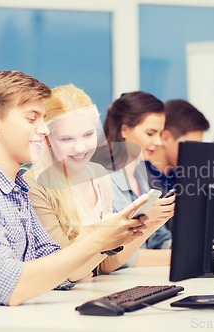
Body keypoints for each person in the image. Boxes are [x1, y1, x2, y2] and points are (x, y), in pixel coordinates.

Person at [0, 71, 149, 332]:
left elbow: (63, 275)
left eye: (44, 120)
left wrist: (111, 237)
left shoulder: (15, 189)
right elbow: (8, 287)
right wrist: (97, 240)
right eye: (32, 119)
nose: (44, 131)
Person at [23, 84, 174, 273]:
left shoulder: (99, 176)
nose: (80, 148)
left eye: (88, 134)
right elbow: (66, 271)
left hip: (93, 291)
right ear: (47, 139)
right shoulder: (35, 185)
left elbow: (105, 264)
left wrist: (149, 223)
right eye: (67, 139)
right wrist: (113, 233)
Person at [101, 91, 175, 263]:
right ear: (124, 130)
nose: (158, 142)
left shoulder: (142, 174)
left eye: (160, 134)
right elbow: (115, 258)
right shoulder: (104, 179)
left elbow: (159, 239)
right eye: (150, 133)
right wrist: (178, 258)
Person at [146, 99, 210, 231]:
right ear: (166, 138)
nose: (196, 154)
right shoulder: (140, 178)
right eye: (192, 145)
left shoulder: (181, 177)